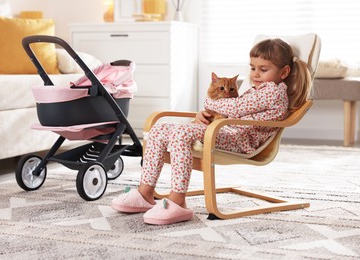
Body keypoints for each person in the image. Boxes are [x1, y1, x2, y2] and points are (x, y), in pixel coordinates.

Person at [111, 38, 311, 225]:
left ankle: (178, 200)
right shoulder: (258, 90)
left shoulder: (273, 92)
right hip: (225, 130)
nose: (255, 74)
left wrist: (209, 103)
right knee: (159, 129)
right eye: (252, 68)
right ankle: (145, 192)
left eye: (263, 69)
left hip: (242, 140)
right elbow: (233, 109)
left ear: (284, 72)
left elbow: (233, 108)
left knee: (181, 133)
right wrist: (203, 115)